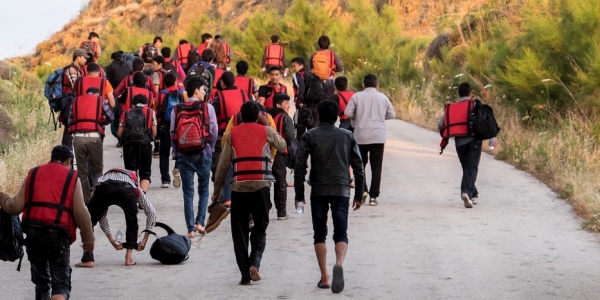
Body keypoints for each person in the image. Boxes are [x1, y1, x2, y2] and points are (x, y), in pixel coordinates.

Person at [0, 145, 95, 300]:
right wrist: (88, 239)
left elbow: (15, 207)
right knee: (60, 286)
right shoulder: (71, 177)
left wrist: (4, 198)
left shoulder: (34, 173)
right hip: (57, 236)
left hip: (33, 235)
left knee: (42, 284)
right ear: (69, 161)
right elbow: (81, 212)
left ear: (52, 158)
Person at [212, 101, 286, 285]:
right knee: (260, 228)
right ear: (258, 116)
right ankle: (255, 262)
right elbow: (283, 145)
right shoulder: (266, 130)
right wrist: (266, 124)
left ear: (240, 116)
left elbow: (223, 165)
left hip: (239, 187)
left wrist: (217, 190)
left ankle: (245, 275)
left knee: (239, 232)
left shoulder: (232, 134)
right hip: (261, 187)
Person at [294, 100, 364, 294]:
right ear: (335, 117)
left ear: (319, 116)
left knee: (319, 233)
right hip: (341, 189)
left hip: (318, 190)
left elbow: (300, 166)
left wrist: (299, 195)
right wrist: (359, 194)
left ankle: (325, 277)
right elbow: (359, 166)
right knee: (341, 232)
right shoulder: (347, 136)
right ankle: (339, 263)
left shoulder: (310, 135)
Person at [75, 168, 156, 267]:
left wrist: (111, 239)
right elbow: (151, 212)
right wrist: (145, 239)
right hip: (127, 189)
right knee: (132, 220)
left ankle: (87, 259)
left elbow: (101, 215)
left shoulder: (102, 181)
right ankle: (128, 258)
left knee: (89, 220)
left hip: (105, 187)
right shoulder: (134, 186)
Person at [170, 76, 218, 238]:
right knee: (204, 190)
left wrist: (177, 153)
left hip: (184, 155)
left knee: (188, 192)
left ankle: (190, 229)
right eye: (204, 90)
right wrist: (209, 149)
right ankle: (200, 223)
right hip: (202, 153)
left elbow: (172, 133)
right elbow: (214, 130)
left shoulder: (177, 109)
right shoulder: (207, 108)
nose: (205, 93)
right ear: (196, 90)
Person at [438, 82, 496, 208]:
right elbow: (486, 121)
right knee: (471, 168)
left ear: (458, 94)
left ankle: (474, 194)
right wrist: (492, 138)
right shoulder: (474, 104)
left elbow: (440, 123)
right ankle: (466, 192)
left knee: (467, 168)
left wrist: (449, 134)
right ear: (471, 94)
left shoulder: (451, 108)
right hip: (474, 140)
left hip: (459, 143)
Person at [344, 74, 395, 206]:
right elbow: (392, 114)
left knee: (360, 165)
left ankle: (363, 190)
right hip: (378, 136)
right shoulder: (383, 97)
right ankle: (374, 196)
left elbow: (347, 112)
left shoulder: (357, 96)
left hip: (361, 135)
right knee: (376, 167)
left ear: (363, 84)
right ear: (376, 85)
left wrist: (358, 115)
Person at [68, 86, 114, 204]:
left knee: (82, 172)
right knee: (97, 170)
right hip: (94, 137)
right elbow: (110, 117)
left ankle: (86, 201)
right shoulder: (100, 101)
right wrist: (100, 122)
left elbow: (70, 121)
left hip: (78, 138)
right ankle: (97, 198)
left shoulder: (75, 101)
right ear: (97, 94)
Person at [118, 94, 158, 193]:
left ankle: (133, 195)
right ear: (146, 103)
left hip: (129, 146)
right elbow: (154, 132)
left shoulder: (126, 113)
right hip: (145, 145)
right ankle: (142, 195)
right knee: (145, 173)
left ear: (133, 104)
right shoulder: (150, 112)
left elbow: (119, 132)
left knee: (130, 172)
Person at [267, 94, 295, 220]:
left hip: (265, 153)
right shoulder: (285, 118)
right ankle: (281, 212)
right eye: (286, 103)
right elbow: (290, 136)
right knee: (280, 182)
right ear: (278, 105)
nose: (288, 106)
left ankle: (264, 209)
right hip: (279, 153)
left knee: (265, 183)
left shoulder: (266, 116)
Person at [156, 73, 186, 188]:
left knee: (164, 153)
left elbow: (156, 110)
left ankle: (165, 180)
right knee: (179, 150)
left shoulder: (160, 95)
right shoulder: (182, 94)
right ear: (175, 82)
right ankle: (177, 168)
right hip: (179, 127)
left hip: (165, 127)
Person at [61, 49, 88, 149]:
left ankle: (68, 156)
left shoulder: (77, 69)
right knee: (69, 129)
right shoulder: (72, 70)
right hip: (69, 101)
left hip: (70, 101)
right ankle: (66, 155)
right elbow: (75, 87)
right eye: (84, 57)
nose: (85, 60)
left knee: (70, 129)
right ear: (78, 57)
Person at [333, 76, 356, 188]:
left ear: (335, 86)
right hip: (356, 124)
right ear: (347, 85)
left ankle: (349, 178)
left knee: (345, 153)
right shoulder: (354, 94)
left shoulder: (336, 97)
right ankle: (357, 178)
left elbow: (333, 113)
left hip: (344, 124)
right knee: (356, 151)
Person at [290, 57, 319, 139]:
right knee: (313, 132)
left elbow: (301, 86)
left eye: (294, 66)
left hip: (303, 106)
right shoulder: (311, 74)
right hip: (314, 105)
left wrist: (298, 101)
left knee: (299, 131)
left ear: (301, 65)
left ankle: (299, 150)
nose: (293, 69)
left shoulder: (298, 74)